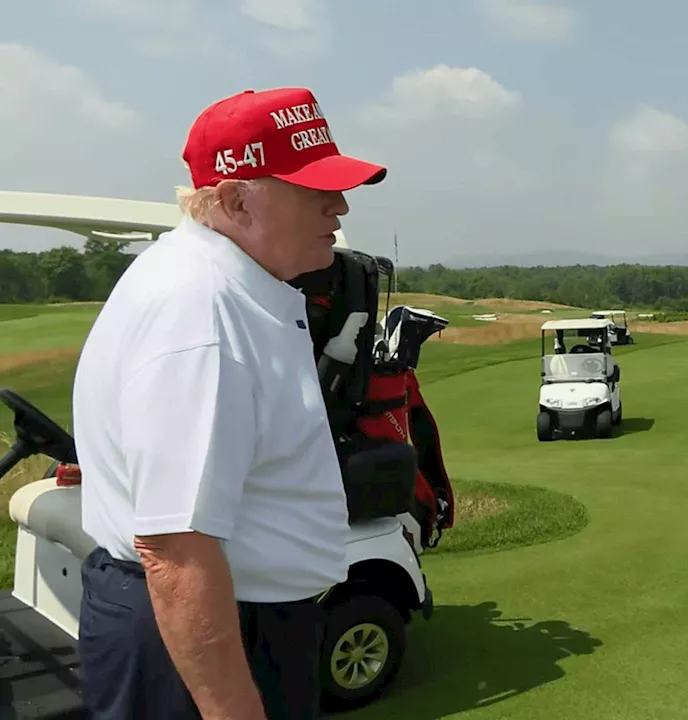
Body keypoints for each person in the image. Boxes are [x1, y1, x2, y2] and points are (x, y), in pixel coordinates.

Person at [71, 86, 387, 720]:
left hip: (217, 622)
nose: (341, 206)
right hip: (205, 636)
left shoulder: (214, 280)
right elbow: (175, 551)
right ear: (236, 198)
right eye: (314, 190)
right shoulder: (204, 315)